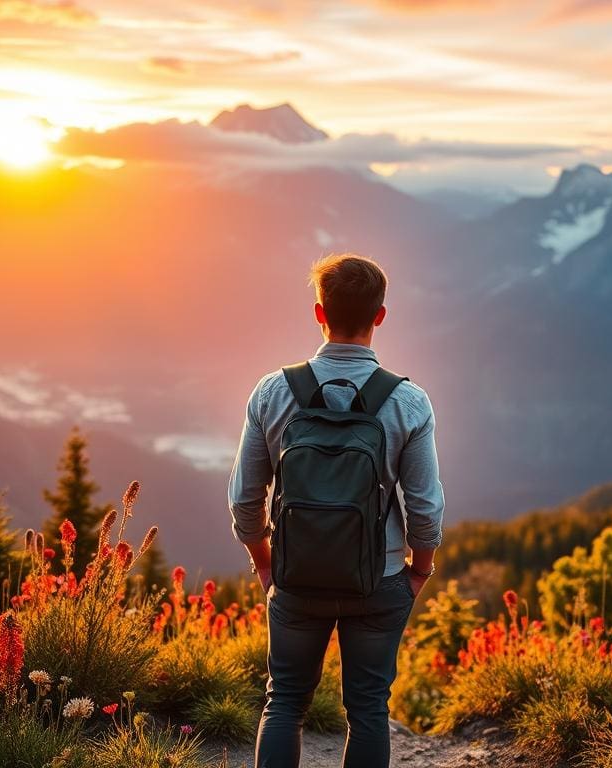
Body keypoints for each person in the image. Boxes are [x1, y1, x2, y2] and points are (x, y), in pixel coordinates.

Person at [228, 252, 445, 768]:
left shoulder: (273, 392)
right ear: (380, 315)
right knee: (368, 708)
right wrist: (419, 569)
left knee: (283, 702)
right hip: (380, 579)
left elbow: (243, 497)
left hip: (297, 577)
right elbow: (425, 507)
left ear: (319, 313)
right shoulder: (408, 402)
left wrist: (264, 560)